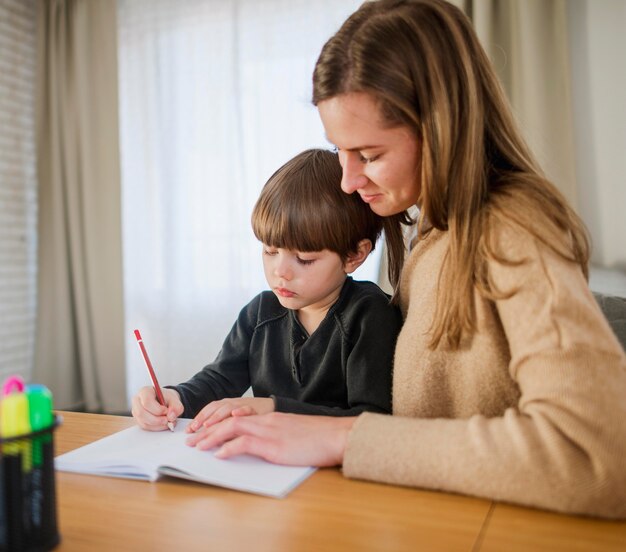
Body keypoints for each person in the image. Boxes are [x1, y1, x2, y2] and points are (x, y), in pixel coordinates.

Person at [185, 0, 626, 519]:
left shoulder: (512, 231)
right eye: (339, 151)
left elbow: (597, 455)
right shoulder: (435, 234)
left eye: (369, 156)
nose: (348, 181)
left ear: (441, 128)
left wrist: (342, 436)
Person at [132, 148, 402, 433]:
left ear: (354, 256)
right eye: (270, 251)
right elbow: (220, 380)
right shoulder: (260, 312)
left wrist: (274, 409)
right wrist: (175, 397)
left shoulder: (370, 315)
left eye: (305, 259)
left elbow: (371, 419)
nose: (280, 271)